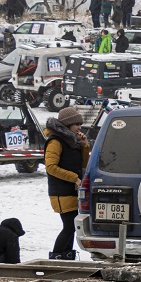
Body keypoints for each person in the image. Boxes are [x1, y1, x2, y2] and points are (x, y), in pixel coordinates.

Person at [45, 106, 90, 260]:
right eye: (77, 124)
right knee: (69, 226)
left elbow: (83, 165)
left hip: (71, 191)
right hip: (61, 192)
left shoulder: (71, 141)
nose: (79, 127)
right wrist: (74, 178)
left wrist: (84, 146)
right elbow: (51, 167)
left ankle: (65, 256)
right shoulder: (55, 141)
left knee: (71, 227)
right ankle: (57, 256)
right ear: (67, 124)